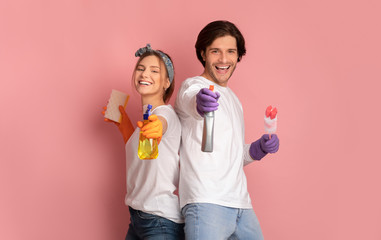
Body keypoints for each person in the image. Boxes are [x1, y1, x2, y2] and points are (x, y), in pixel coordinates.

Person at [174, 21, 280, 239]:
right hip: (206, 201)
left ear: (238, 55)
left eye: (230, 51)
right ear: (203, 53)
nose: (224, 59)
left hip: (241, 204)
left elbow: (233, 156)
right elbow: (189, 100)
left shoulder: (234, 100)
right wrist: (199, 103)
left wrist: (258, 149)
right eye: (215, 51)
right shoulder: (192, 85)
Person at [103, 44, 184, 239]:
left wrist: (158, 127)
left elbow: (162, 124)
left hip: (160, 220)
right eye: (141, 68)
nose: (145, 74)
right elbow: (139, 154)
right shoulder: (145, 121)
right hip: (138, 217)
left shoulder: (165, 113)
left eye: (154, 71)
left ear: (166, 82)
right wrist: (123, 124)